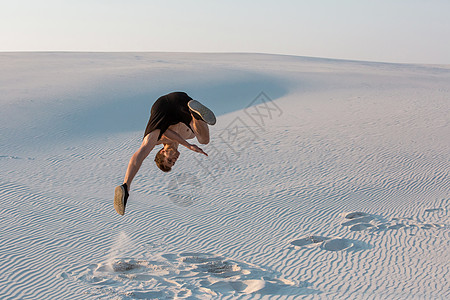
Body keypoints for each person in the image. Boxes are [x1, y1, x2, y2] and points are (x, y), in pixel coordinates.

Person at [114, 91, 216, 215]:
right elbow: (173, 135)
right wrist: (187, 143)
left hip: (162, 107)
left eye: (169, 160)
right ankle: (196, 115)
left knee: (146, 146)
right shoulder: (187, 135)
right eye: (173, 163)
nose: (174, 160)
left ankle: (126, 185)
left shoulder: (158, 140)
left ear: (162, 151)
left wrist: (187, 146)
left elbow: (166, 133)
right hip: (181, 102)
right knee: (203, 139)